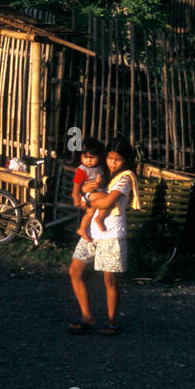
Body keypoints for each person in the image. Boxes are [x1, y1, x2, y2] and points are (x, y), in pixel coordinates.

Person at [68, 138, 137, 335]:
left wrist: (87, 197)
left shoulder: (125, 178)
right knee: (75, 271)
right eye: (110, 158)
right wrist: (84, 193)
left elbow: (107, 203)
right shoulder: (100, 172)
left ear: (126, 161)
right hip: (91, 232)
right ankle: (87, 316)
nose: (112, 163)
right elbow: (84, 195)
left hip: (111, 234)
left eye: (117, 160)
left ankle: (112, 322)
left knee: (109, 280)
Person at [72, 138, 106, 243]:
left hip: (96, 192)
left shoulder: (100, 167)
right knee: (107, 200)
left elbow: (103, 181)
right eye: (85, 157)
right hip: (87, 195)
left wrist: (100, 181)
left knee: (90, 213)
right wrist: (76, 198)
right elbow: (76, 186)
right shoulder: (82, 170)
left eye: (92, 157)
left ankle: (82, 229)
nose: (88, 160)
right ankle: (99, 219)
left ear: (99, 157)